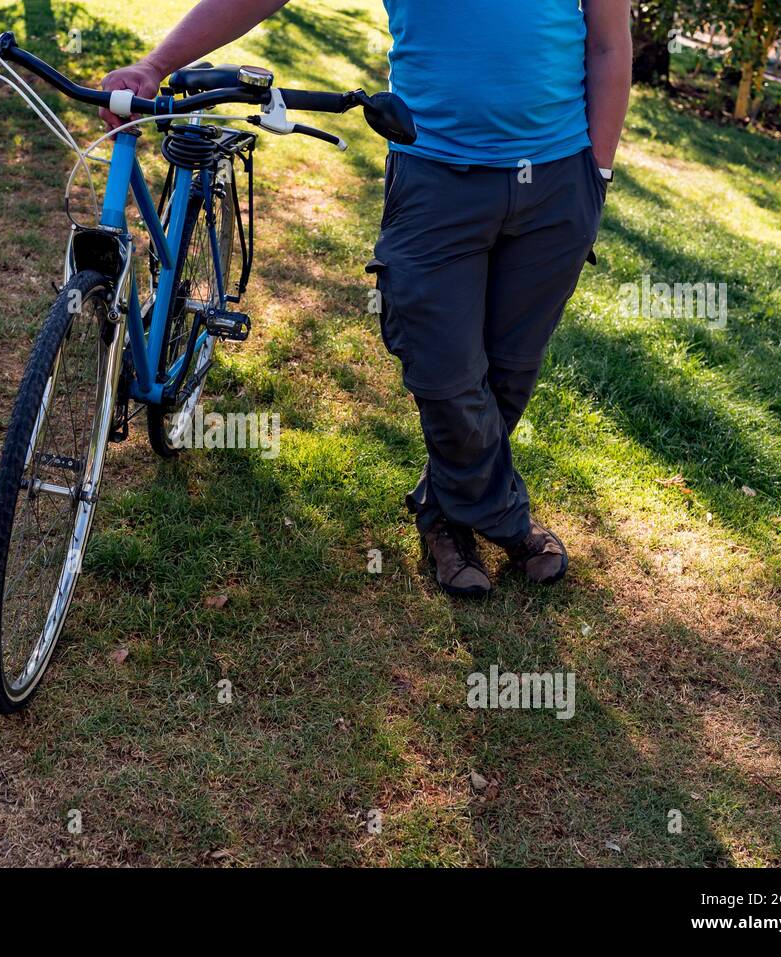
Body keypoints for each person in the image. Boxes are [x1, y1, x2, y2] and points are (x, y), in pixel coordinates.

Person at [101, 0, 632, 597]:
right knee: (445, 369)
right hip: (435, 172)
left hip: (559, 182)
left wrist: (597, 177)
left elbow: (609, 43)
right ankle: (507, 519)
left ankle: (445, 519)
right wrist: (155, 63)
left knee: (508, 368)